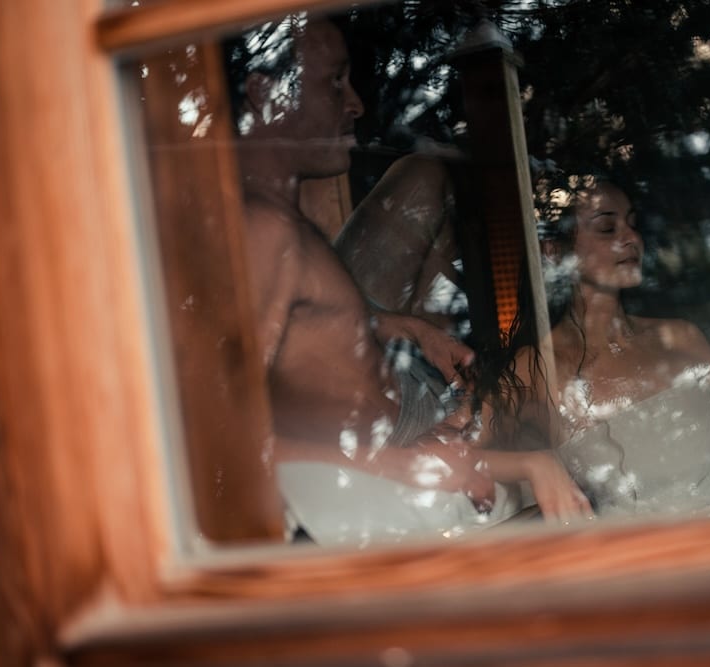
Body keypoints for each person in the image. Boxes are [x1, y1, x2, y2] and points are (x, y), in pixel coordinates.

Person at [225, 15, 588, 543]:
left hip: (413, 403)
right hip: (392, 440)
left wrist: (410, 329)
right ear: (265, 94)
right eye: (334, 81)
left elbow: (301, 316)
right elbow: (221, 430)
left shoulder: (273, 221)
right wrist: (398, 465)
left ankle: (475, 406)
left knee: (426, 175)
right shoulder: (260, 228)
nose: (356, 103)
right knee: (543, 441)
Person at [491, 179, 710, 518]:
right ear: (554, 251)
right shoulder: (539, 367)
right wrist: (535, 464)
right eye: (608, 227)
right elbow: (454, 460)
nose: (631, 238)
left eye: (632, 224)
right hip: (651, 559)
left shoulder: (681, 337)